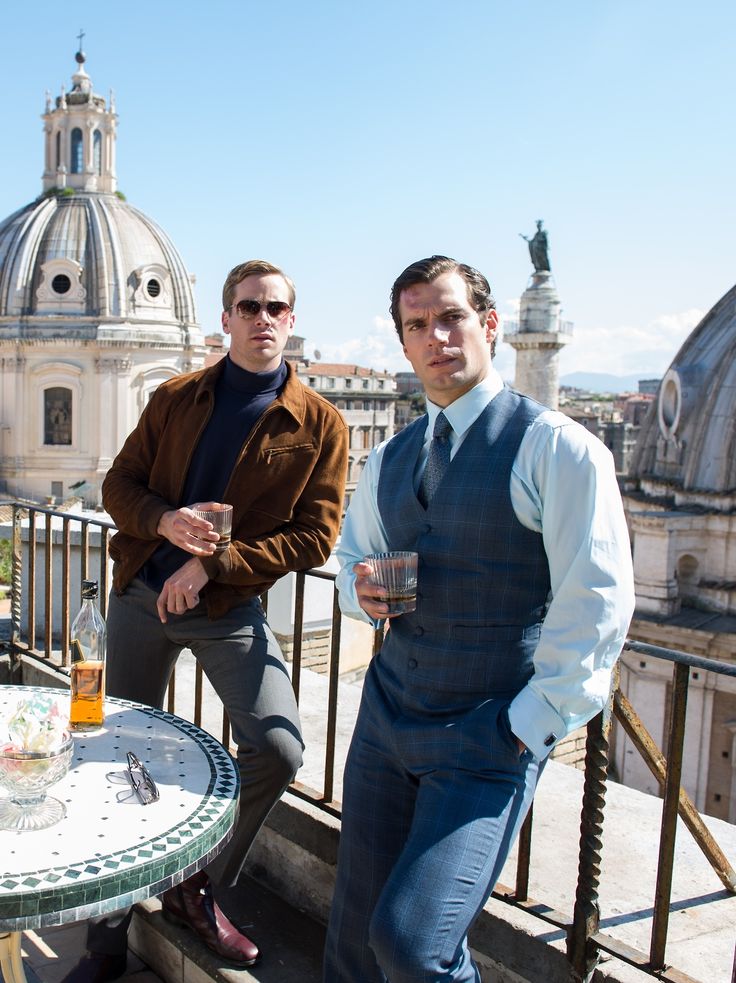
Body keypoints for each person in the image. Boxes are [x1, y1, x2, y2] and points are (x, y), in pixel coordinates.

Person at [323, 255, 634, 982]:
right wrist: (357, 590)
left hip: (486, 737)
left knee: (412, 943)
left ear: (490, 325)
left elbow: (596, 603)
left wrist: (527, 723)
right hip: (386, 718)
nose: (437, 337)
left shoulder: (558, 448)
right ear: (403, 344)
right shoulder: (394, 456)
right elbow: (352, 557)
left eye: (452, 316)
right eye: (418, 325)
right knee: (350, 938)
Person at [63, 259, 348, 983]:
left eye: (275, 307)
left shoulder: (320, 423)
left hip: (226, 606)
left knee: (277, 747)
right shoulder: (175, 397)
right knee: (108, 755)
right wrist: (166, 522)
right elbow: (117, 485)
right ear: (224, 318)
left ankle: (195, 882)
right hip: (138, 598)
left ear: (291, 318)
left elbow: (316, 537)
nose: (262, 318)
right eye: (248, 306)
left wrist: (213, 565)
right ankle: (105, 941)